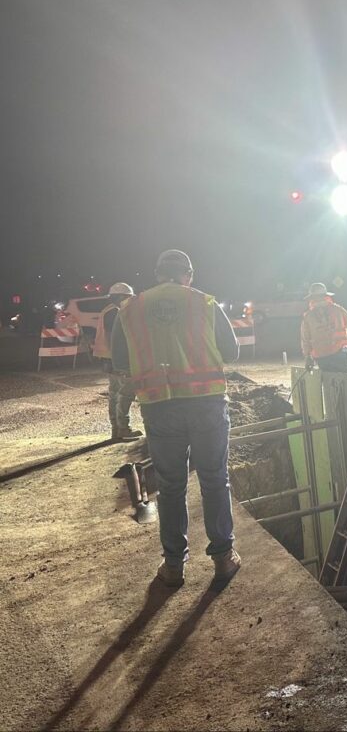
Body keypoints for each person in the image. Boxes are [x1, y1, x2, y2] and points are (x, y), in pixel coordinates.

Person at [111, 249, 240, 588]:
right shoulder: (204, 303)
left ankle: (173, 566)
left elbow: (121, 360)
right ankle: (224, 558)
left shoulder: (131, 308)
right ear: (189, 275)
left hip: (159, 406)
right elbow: (231, 352)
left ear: (157, 275)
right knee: (214, 479)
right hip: (206, 405)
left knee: (170, 488)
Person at [92, 282, 142, 441]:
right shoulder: (116, 313)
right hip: (117, 360)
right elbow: (121, 338)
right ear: (121, 297)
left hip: (108, 359)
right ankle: (123, 428)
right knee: (126, 393)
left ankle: (117, 430)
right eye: (128, 297)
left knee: (115, 394)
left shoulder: (107, 310)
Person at [300, 282, 347, 373]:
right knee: (345, 381)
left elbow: (305, 339)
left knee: (329, 383)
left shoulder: (308, 317)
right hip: (341, 353)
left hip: (322, 356)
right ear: (326, 296)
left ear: (312, 298)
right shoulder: (338, 310)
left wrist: (307, 357)